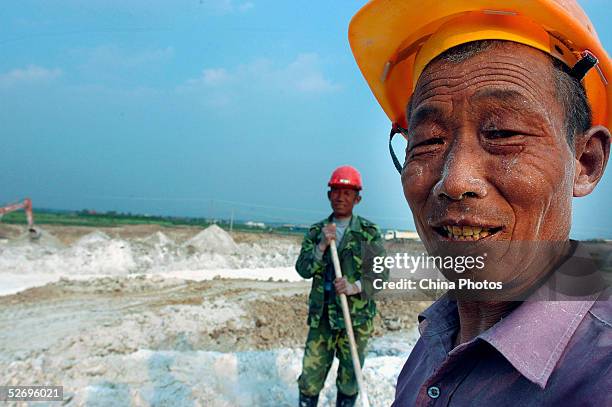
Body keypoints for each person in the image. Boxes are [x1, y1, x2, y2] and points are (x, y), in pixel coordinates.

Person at [348, 1, 611, 406]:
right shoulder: (434, 344)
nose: (453, 181)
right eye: (429, 141)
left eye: (502, 132)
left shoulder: (599, 375)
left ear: (585, 162)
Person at [295, 165, 387, 407]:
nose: (340, 197)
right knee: (310, 378)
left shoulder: (368, 233)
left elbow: (380, 275)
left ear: (357, 198)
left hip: (355, 321)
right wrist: (322, 246)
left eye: (347, 192)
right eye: (336, 191)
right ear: (329, 195)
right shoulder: (317, 232)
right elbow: (303, 269)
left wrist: (354, 286)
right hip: (323, 319)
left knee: (349, 380)